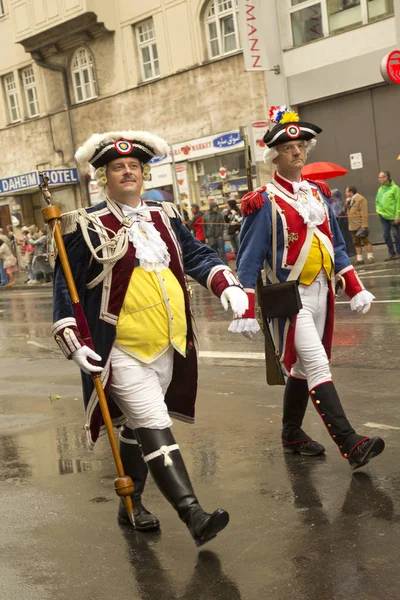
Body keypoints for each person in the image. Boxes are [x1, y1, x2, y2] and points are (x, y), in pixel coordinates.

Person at [52, 130, 248, 545]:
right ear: (103, 177)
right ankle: (193, 513)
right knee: (154, 423)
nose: (128, 173)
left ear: (143, 174)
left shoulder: (165, 215)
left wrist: (225, 282)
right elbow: (63, 291)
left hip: (169, 343)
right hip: (120, 347)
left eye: (134, 167)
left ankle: (131, 503)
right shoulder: (84, 226)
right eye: (118, 168)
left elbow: (196, 254)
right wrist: (75, 344)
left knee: (135, 428)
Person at [230, 105, 384, 470]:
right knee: (315, 363)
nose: (296, 152)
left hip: (321, 292)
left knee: (301, 368)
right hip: (287, 295)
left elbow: (337, 246)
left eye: (301, 146)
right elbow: (249, 260)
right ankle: (351, 442)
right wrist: (246, 308)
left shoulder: (317, 193)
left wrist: (354, 285)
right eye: (287, 148)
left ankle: (291, 433)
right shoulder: (263, 201)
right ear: (274, 156)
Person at [344, 186, 374, 265]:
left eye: (346, 192)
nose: (345, 193)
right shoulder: (349, 200)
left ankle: (370, 257)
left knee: (365, 240)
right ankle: (360, 259)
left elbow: (364, 212)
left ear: (351, 192)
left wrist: (364, 225)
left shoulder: (361, 199)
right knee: (356, 242)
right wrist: (346, 203)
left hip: (359, 224)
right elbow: (344, 211)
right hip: (352, 225)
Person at [375, 171, 400, 261]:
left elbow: (398, 202)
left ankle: (398, 252)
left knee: (396, 234)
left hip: (393, 216)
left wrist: (397, 215)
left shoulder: (395, 188)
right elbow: (377, 201)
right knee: (386, 235)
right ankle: (391, 253)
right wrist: (379, 210)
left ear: (387, 177)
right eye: (379, 178)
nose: (380, 179)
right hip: (383, 216)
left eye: (382, 177)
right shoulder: (380, 189)